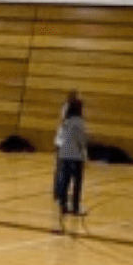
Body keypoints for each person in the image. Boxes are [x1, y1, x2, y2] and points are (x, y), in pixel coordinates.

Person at [54, 98, 89, 234]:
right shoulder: (79, 122)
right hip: (75, 156)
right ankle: (75, 206)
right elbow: (81, 140)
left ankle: (63, 204)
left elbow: (61, 137)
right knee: (77, 182)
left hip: (64, 154)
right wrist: (84, 152)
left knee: (65, 180)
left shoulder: (66, 121)